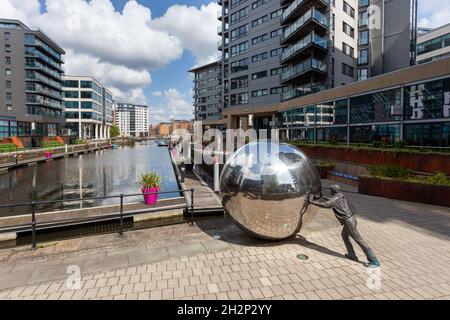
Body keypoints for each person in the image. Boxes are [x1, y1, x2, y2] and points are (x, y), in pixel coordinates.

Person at [307, 185, 381, 268]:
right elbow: (331, 201)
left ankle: (374, 261)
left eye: (331, 190)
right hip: (351, 219)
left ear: (333, 191)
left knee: (360, 241)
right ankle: (352, 255)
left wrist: (311, 201)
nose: (330, 191)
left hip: (348, 222)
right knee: (344, 235)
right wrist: (323, 197)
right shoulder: (340, 195)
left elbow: (326, 205)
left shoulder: (336, 198)